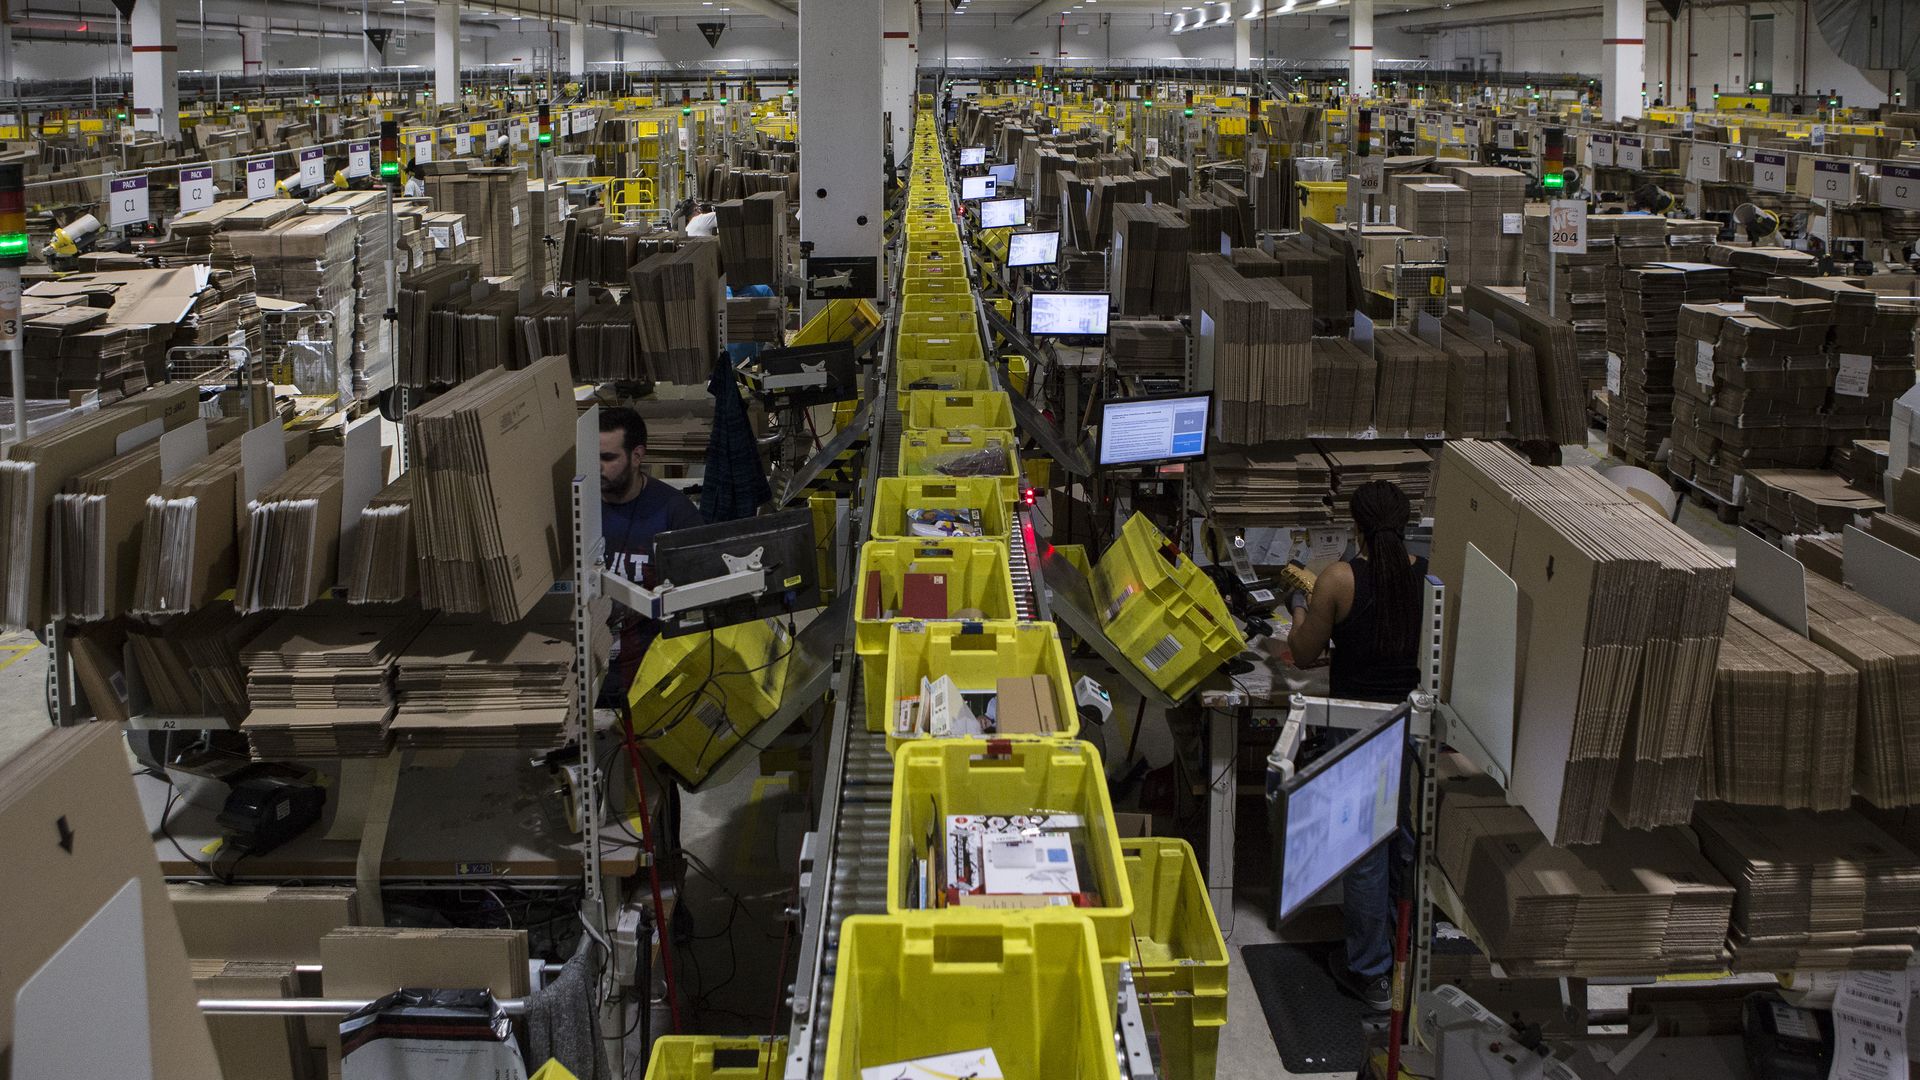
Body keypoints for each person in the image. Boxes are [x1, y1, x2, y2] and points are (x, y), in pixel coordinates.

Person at [1285, 479, 1427, 1014]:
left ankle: (1368, 970)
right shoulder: (1423, 575)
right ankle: (1402, 954)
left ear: (1356, 525)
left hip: (1356, 724)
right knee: (1402, 839)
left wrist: (1300, 606)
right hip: (1410, 721)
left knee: (1364, 849)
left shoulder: (1339, 578)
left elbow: (1302, 652)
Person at [599, 406, 705, 706]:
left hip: (651, 668)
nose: (597, 468)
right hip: (590, 662)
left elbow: (700, 598)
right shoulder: (580, 509)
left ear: (637, 456)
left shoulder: (675, 512)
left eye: (608, 458)